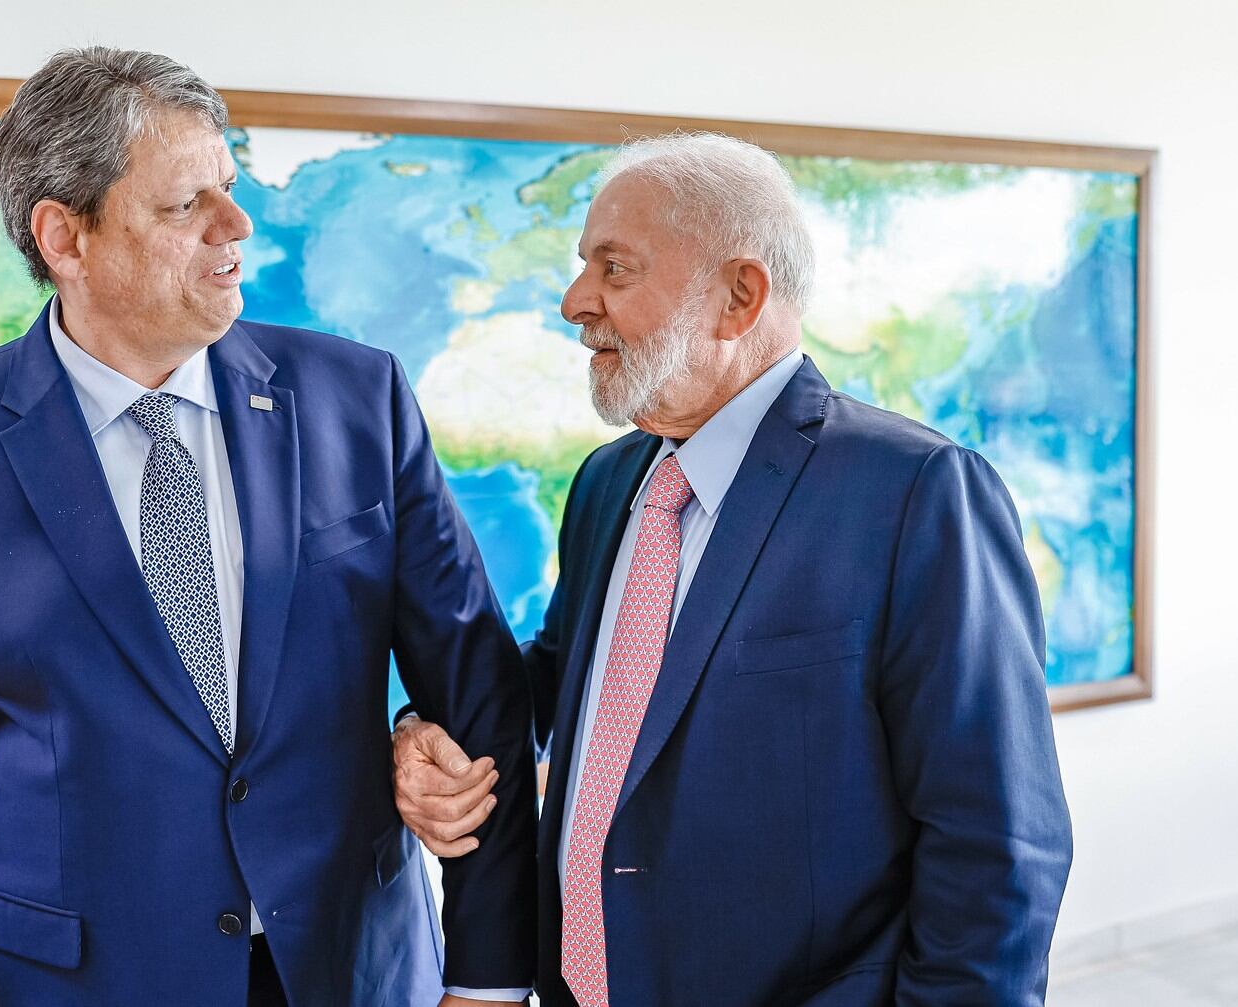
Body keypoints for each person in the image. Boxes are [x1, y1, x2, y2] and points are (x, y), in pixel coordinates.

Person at [0, 47, 536, 1007]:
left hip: (352, 969)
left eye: (228, 189)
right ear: (65, 237)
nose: (237, 225)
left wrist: (485, 984)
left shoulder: (360, 399)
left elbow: (475, 684)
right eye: (187, 204)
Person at [393, 132, 1073, 1006]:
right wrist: (426, 731)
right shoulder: (609, 481)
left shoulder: (916, 491)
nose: (574, 300)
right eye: (581, 265)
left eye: (615, 268)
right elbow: (565, 685)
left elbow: (1000, 840)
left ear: (738, 295)